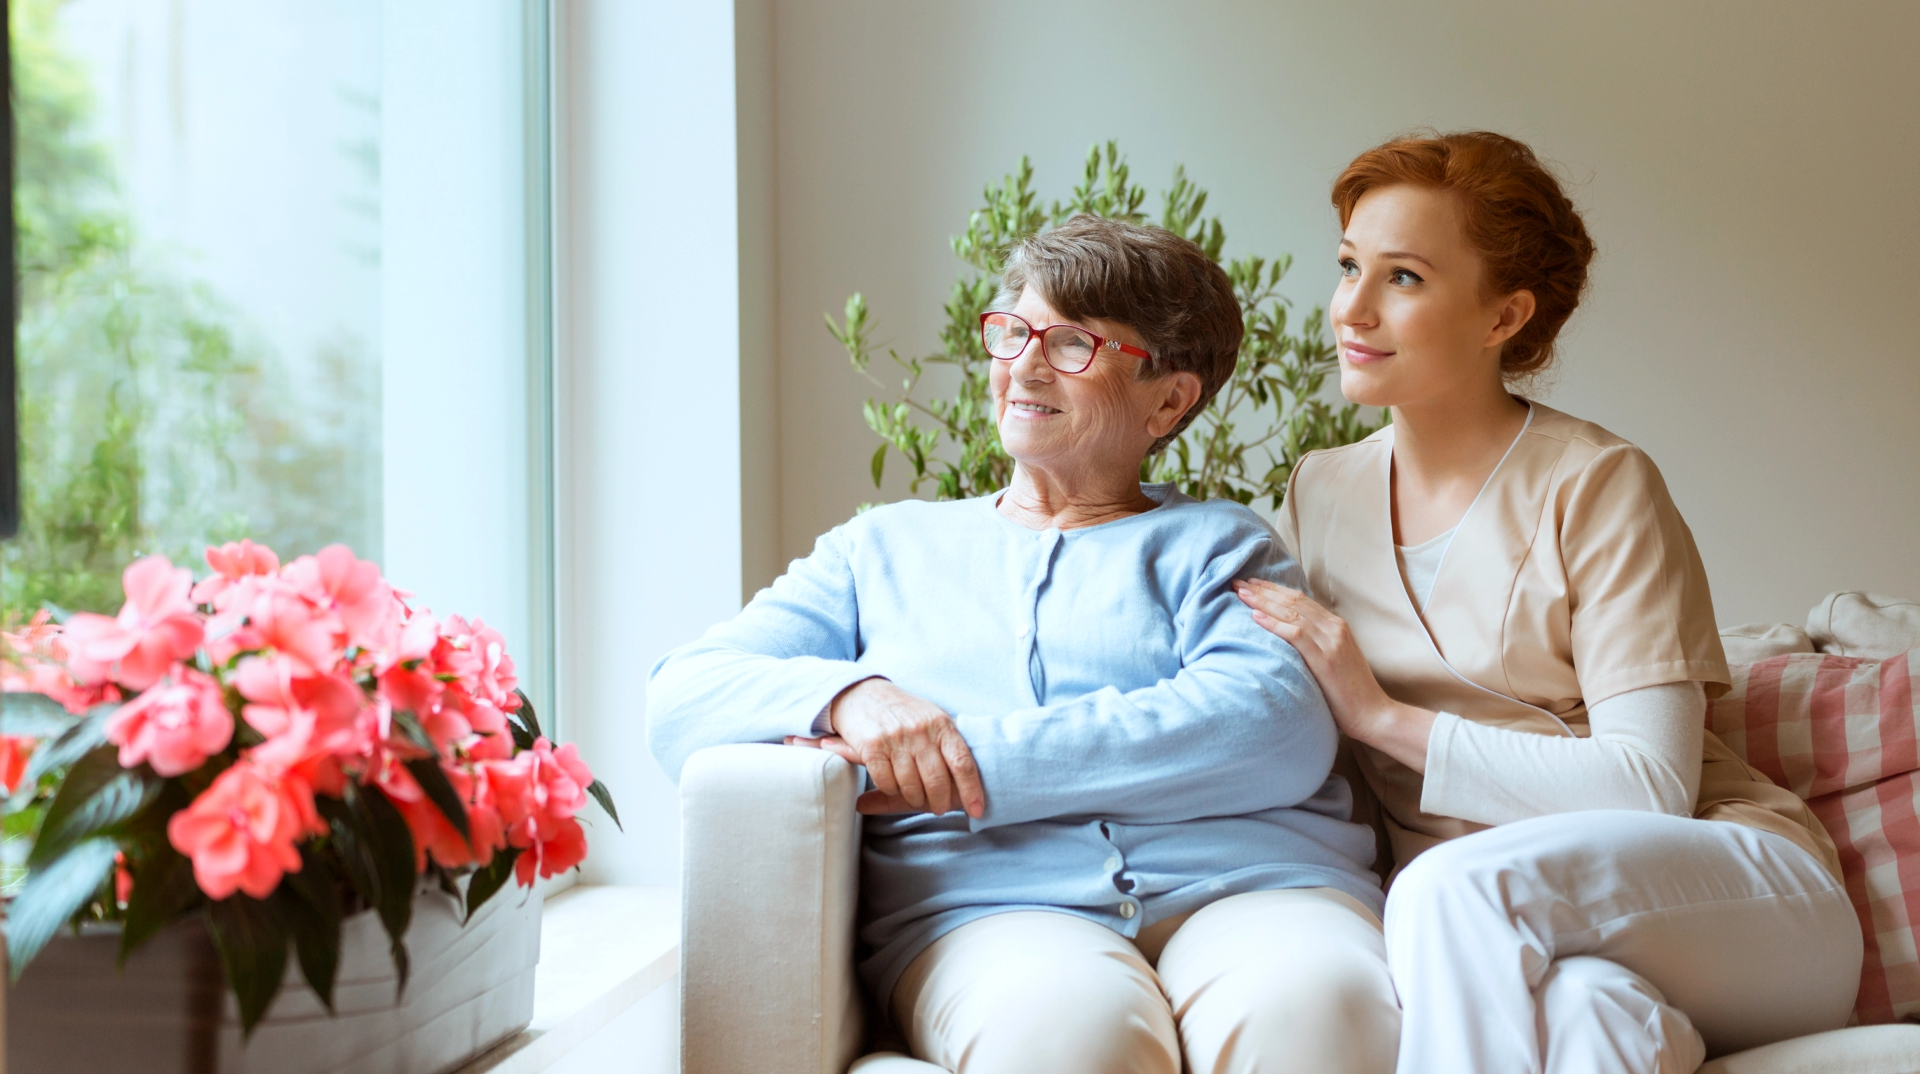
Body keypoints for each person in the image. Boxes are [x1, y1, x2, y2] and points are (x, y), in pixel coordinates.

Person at [649, 215, 1399, 1074]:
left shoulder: (1222, 545)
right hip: (993, 909)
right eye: (1012, 331)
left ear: (1169, 399)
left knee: (1318, 1004)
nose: (1024, 365)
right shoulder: (881, 550)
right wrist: (855, 699)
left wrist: (959, 758)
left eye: (1074, 343)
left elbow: (1267, 729)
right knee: (1069, 1034)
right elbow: (682, 695)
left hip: (1256, 887)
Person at [1236, 131, 1860, 1073]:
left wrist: (1382, 717)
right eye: (1349, 265)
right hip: (1536, 936)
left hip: (1739, 898)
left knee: (1445, 893)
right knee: (1586, 1021)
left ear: (1503, 316)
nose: (1350, 310)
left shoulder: (1598, 484)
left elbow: (1651, 787)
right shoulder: (1318, 494)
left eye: (1401, 277)